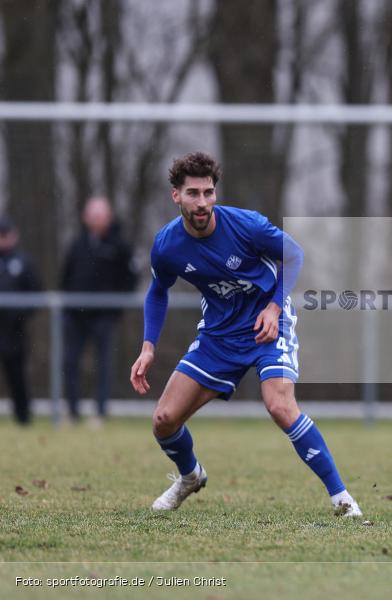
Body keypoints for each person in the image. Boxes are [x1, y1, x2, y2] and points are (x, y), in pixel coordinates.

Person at [129, 152, 362, 517]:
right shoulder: (167, 245)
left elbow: (295, 254)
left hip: (268, 324)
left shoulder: (246, 225)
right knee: (164, 421)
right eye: (193, 193)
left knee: (280, 405)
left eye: (208, 192)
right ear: (176, 196)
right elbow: (158, 291)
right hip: (220, 335)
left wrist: (274, 306)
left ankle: (343, 499)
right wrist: (147, 347)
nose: (202, 202)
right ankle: (190, 476)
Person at [61, 197, 137, 424]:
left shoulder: (120, 246)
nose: (95, 221)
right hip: (75, 316)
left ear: (108, 217)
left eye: (100, 216)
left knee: (103, 364)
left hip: (104, 316)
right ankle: (72, 412)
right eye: (91, 216)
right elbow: (65, 276)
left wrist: (115, 308)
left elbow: (130, 279)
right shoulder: (78, 243)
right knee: (70, 362)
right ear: (85, 218)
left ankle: (100, 412)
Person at [0, 217, 41, 426]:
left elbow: (35, 293)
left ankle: (23, 417)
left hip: (14, 331)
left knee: (17, 376)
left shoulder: (24, 262)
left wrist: (19, 313)